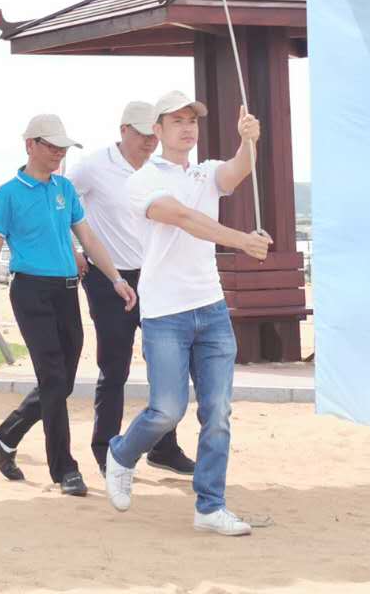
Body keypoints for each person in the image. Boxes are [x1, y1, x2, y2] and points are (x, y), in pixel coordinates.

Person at [104, 91, 273, 537]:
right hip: (165, 312)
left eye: (192, 120)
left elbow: (236, 171)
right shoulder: (141, 181)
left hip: (211, 308)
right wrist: (241, 240)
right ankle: (121, 453)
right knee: (166, 410)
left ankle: (210, 506)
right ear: (157, 130)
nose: (187, 127)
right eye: (176, 120)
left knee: (217, 412)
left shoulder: (204, 171)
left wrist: (248, 141)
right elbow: (181, 217)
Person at [0, 114, 136, 497]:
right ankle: (65, 470)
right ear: (30, 145)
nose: (59, 152)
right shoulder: (8, 194)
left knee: (61, 382)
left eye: (63, 147)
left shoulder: (64, 188)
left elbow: (88, 238)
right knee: (54, 379)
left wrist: (116, 278)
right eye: (52, 145)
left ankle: (4, 436)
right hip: (30, 293)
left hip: (67, 292)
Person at [69, 102, 195, 476]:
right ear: (123, 130)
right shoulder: (92, 166)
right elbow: (59, 203)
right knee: (115, 366)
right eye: (140, 133)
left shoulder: (160, 169)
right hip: (107, 277)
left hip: (155, 277)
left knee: (166, 363)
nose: (148, 141)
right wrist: (72, 247)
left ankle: (163, 447)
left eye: (151, 133)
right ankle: (105, 448)